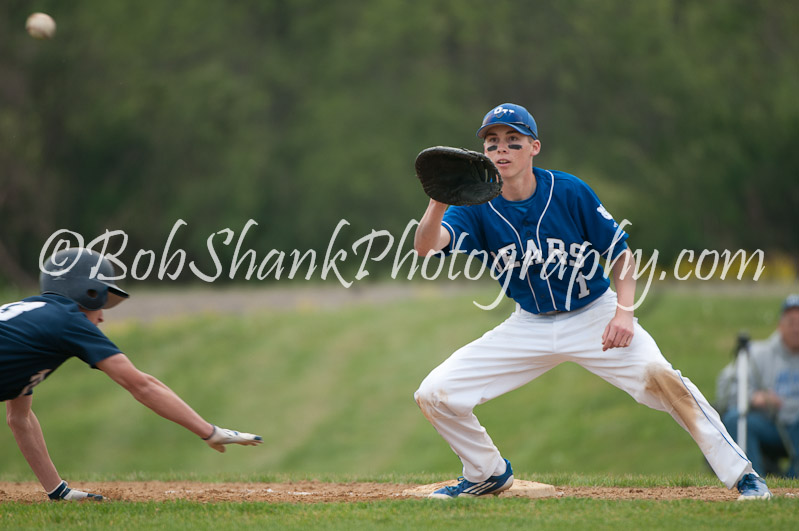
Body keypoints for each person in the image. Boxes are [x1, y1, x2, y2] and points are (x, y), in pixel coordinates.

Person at [412, 103, 772, 500]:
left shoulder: (567, 191)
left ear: (534, 147)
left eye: (513, 142)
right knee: (434, 393)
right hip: (528, 324)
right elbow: (426, 248)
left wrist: (624, 312)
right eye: (492, 142)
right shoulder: (475, 205)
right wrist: (438, 201)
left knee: (663, 378)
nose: (502, 150)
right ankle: (486, 472)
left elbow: (621, 255)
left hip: (594, 314)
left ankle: (744, 477)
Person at [1, 248, 262, 501]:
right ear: (87, 292)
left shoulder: (31, 321)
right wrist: (209, 431)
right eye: (101, 302)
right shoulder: (67, 319)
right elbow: (141, 385)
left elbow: (20, 419)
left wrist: (58, 490)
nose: (102, 317)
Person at [716, 294, 799, 478]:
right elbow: (724, 384)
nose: (796, 329)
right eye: (791, 322)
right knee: (735, 419)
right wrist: (754, 397)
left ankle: (792, 483)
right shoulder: (759, 353)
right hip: (770, 425)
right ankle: (754, 481)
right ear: (780, 325)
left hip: (797, 427)